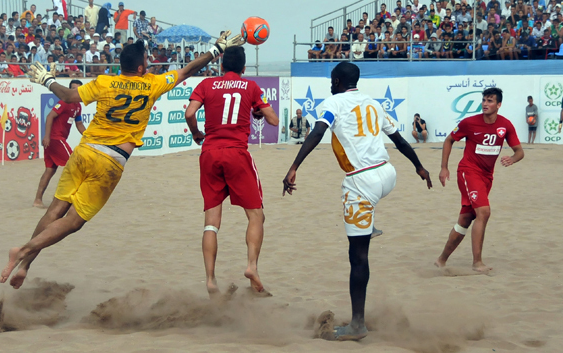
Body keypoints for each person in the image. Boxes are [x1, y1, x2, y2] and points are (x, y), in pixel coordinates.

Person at [0, 31, 246, 289]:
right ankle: (24, 251)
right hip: (110, 162)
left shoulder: (106, 82)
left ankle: (25, 264)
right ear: (141, 67)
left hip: (83, 152)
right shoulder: (152, 84)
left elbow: (69, 96)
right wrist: (216, 49)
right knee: (72, 222)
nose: (149, 63)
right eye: (147, 61)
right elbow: (187, 70)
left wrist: (47, 79)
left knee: (55, 211)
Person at [282, 62, 432, 341]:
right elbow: (398, 140)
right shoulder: (373, 104)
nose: (330, 85)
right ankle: (368, 222)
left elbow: (317, 132)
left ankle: (357, 325)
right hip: (388, 175)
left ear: (337, 81)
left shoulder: (333, 102)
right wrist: (419, 167)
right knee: (361, 218)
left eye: (331, 80)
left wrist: (294, 166)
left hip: (362, 182)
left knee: (358, 256)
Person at [184, 46, 278, 298]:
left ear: (222, 66)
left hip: (210, 153)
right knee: (256, 215)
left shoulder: (207, 84)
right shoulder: (250, 87)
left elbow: (190, 113)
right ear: (244, 68)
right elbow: (273, 120)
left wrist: (195, 133)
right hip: (236, 153)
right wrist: (258, 110)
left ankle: (211, 279)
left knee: (211, 223)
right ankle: (251, 267)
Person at [435, 88, 524, 273]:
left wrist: (512, 159)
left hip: (486, 177)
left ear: (498, 105)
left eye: (490, 100)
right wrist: (444, 167)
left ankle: (441, 260)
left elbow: (520, 152)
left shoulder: (505, 125)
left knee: (466, 218)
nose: (485, 103)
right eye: (483, 99)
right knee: (484, 212)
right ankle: (477, 263)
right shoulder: (469, 122)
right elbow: (448, 140)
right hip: (468, 172)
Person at [34, 80, 85, 208]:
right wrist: (46, 136)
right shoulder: (64, 102)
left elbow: (79, 124)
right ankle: (62, 196)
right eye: (73, 89)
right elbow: (50, 116)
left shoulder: (78, 106)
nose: (75, 92)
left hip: (58, 139)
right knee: (74, 164)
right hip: (55, 138)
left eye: (78, 89)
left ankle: (37, 200)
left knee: (50, 170)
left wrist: (89, 136)